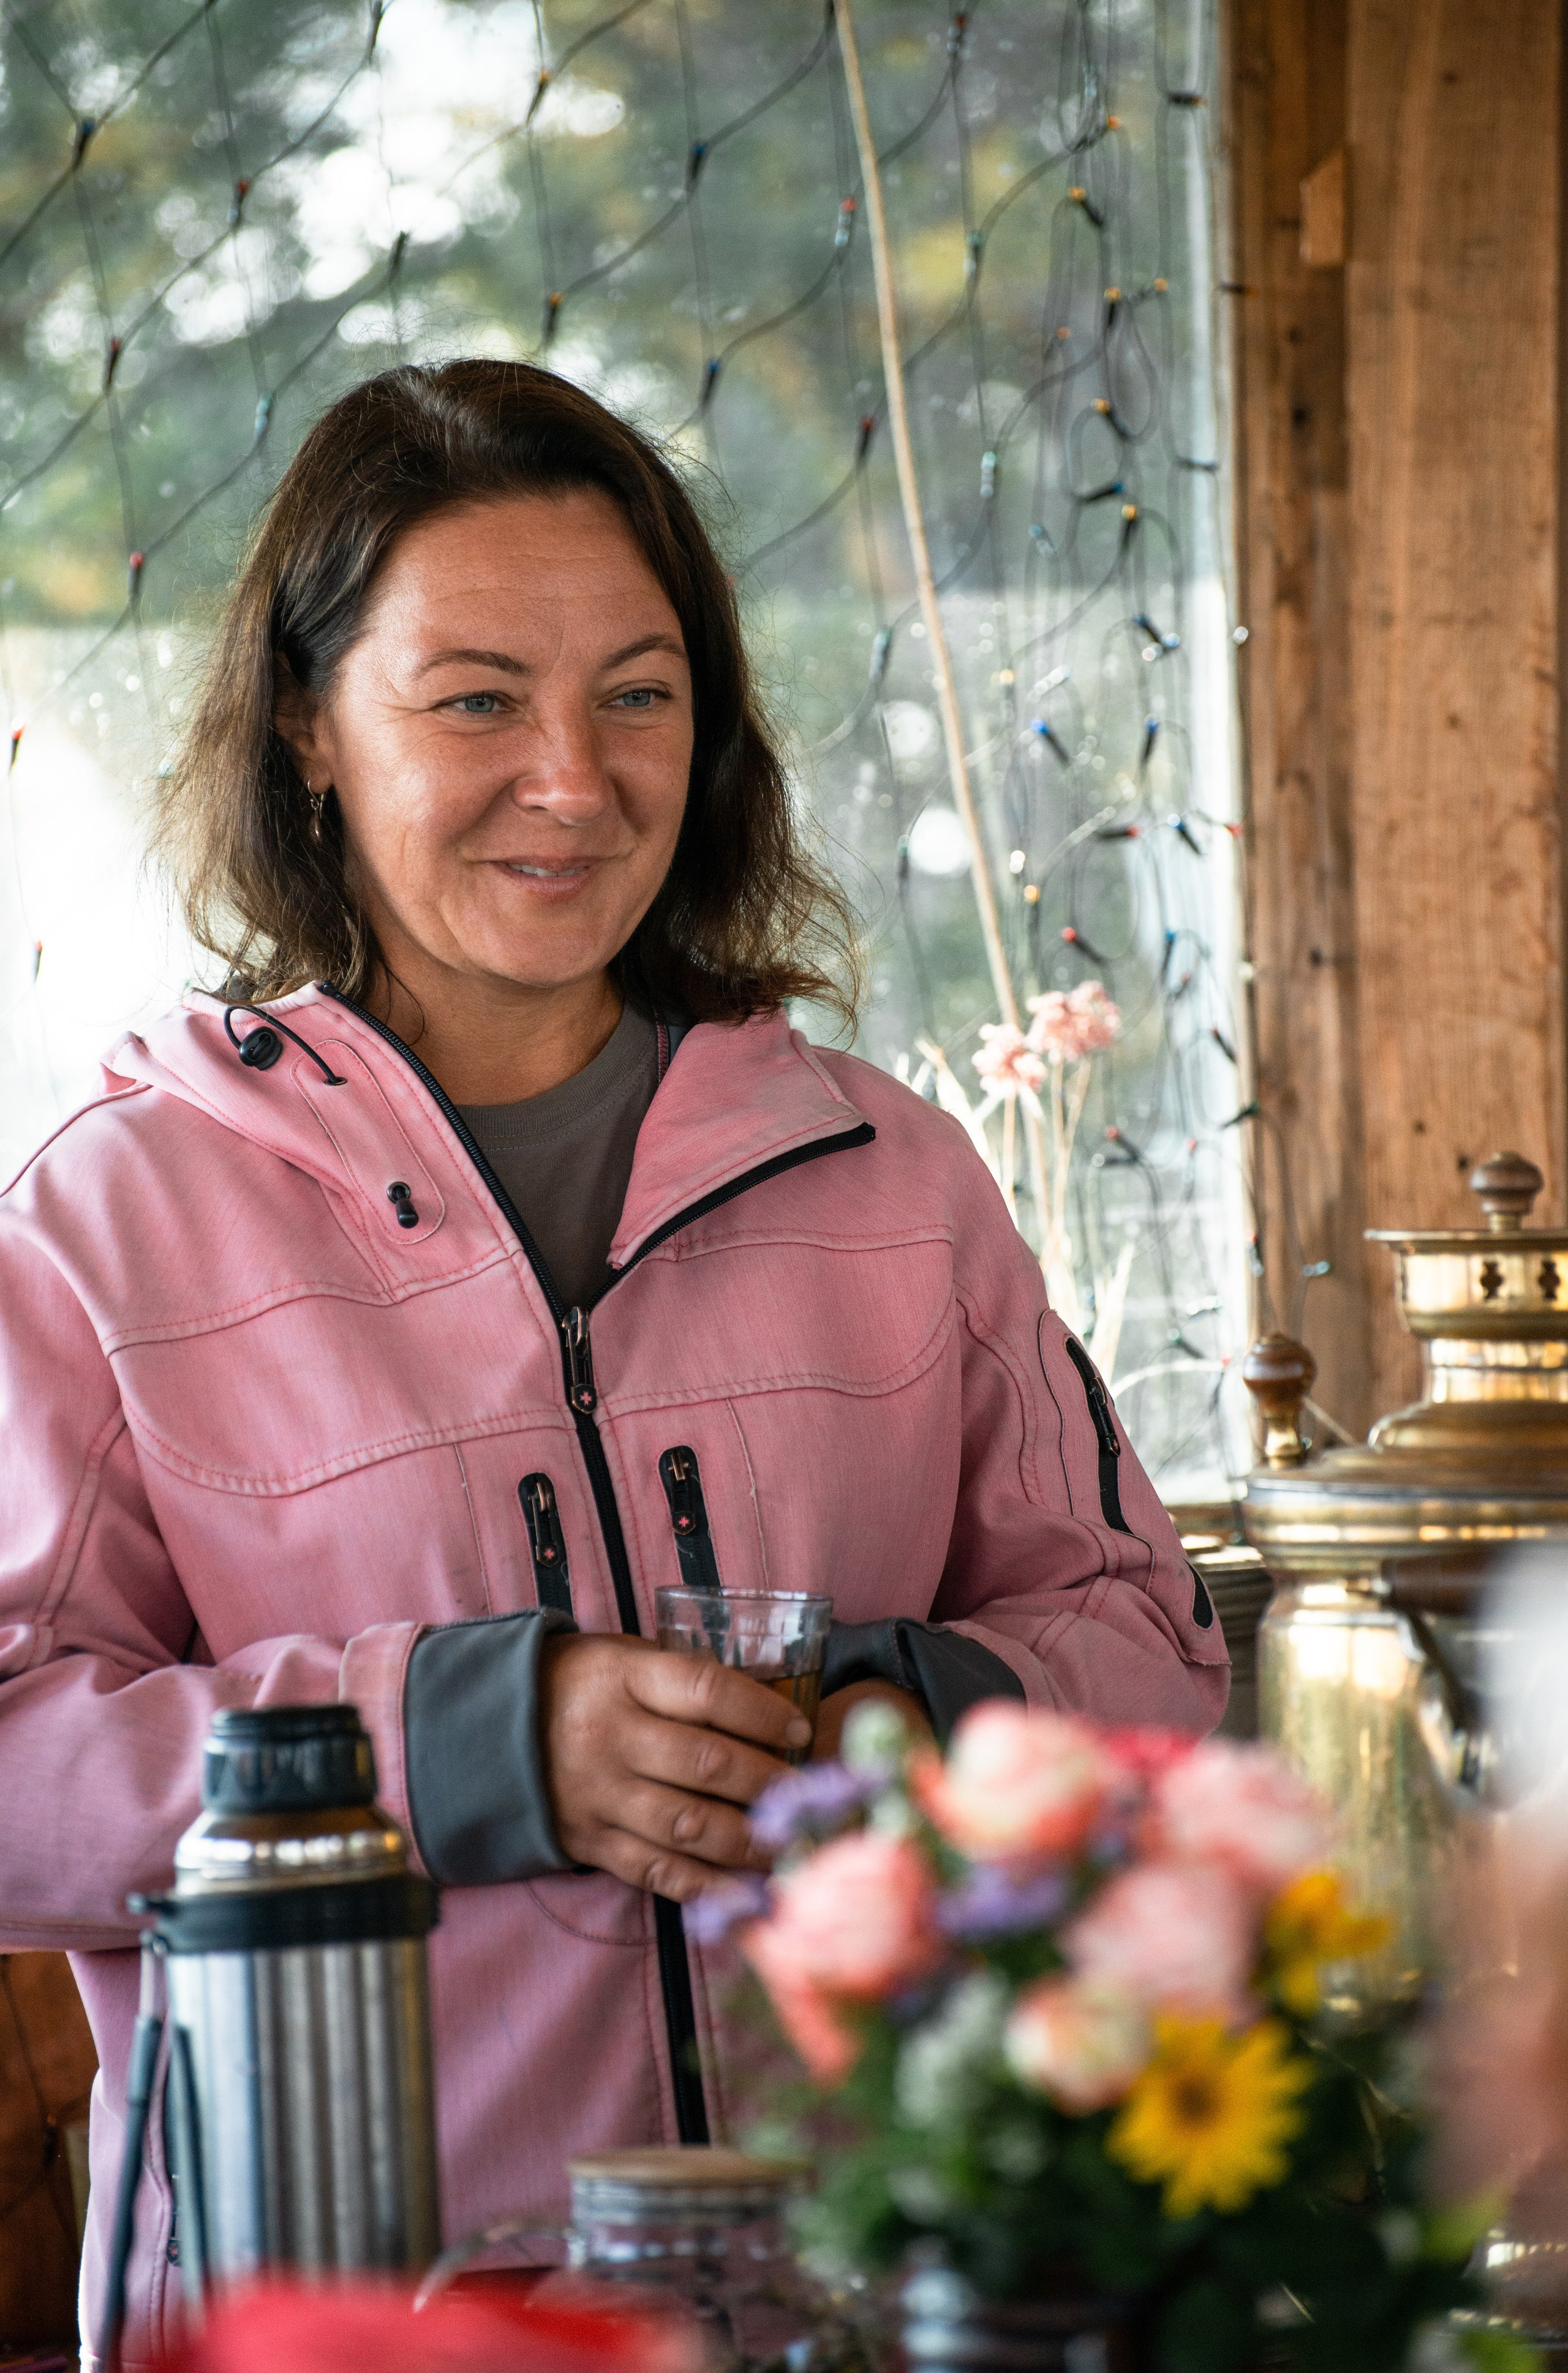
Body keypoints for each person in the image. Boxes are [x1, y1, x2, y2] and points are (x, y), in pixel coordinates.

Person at [0, 361, 1227, 2364]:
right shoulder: (110, 1221)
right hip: (346, 2323)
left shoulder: (892, 1178)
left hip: (878, 2288)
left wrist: (922, 1720)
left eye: (638, 694)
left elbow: (1154, 1643)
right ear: (309, 728)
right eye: (475, 695)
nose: (573, 777)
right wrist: (467, 1746)